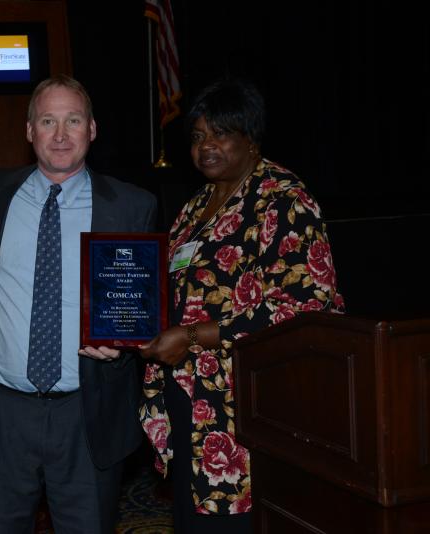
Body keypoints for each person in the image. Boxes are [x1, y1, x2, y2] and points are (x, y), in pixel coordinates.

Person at [138, 78, 344, 533]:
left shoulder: (284, 199)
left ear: (251, 139)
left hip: (244, 404)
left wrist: (192, 335)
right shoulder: (195, 206)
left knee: (235, 522)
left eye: (220, 133)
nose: (205, 146)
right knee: (191, 517)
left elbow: (305, 308)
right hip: (188, 395)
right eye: (197, 136)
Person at [0, 74, 157, 533]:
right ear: (29, 130)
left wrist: (125, 342)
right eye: (47, 121)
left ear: (91, 129)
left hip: (87, 412)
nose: (60, 135)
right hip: (1, 412)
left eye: (72, 120)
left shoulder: (131, 206)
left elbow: (142, 300)